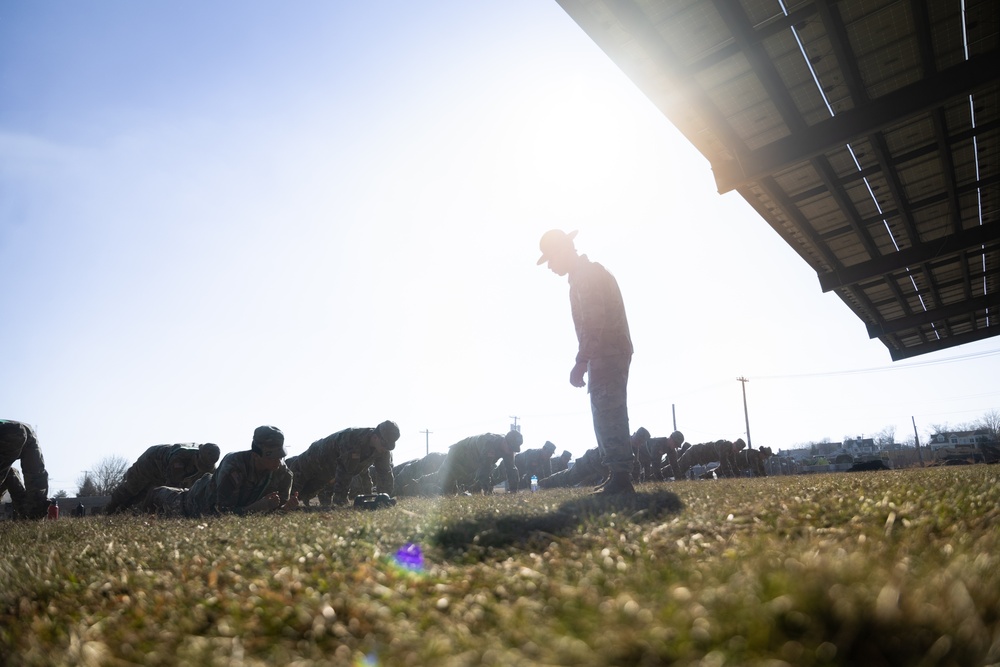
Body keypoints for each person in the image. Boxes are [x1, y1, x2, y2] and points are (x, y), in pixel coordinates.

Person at [537, 229, 636, 494]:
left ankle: (621, 478)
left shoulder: (586, 275)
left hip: (606, 351)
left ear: (563, 251)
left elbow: (594, 322)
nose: (550, 266)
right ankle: (617, 474)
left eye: (550, 259)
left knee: (609, 412)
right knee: (605, 411)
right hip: (605, 352)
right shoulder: (583, 274)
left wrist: (581, 361)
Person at [144, 425, 297, 517]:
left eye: (281, 455)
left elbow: (272, 517)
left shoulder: (283, 476)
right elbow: (222, 513)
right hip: (195, 503)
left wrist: (285, 509)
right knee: (158, 496)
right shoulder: (234, 465)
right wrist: (259, 506)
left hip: (216, 505)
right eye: (272, 456)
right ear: (256, 455)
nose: (279, 460)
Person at [286, 421, 400, 507]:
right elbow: (345, 471)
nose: (386, 448)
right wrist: (341, 500)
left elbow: (385, 474)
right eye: (385, 444)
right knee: (290, 493)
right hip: (312, 461)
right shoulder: (352, 439)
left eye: (390, 446)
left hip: (328, 473)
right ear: (375, 437)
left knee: (305, 495)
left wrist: (384, 499)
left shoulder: (382, 449)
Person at [104, 442, 221, 514]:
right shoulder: (179, 458)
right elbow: (170, 489)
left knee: (143, 495)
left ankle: (131, 513)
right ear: (197, 455)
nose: (202, 468)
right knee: (131, 488)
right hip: (150, 462)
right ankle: (109, 511)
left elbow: (210, 486)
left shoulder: (209, 466)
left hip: (164, 471)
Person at [415, 430, 522, 495]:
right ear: (504, 441)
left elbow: (511, 468)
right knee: (443, 479)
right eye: (510, 448)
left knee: (454, 489)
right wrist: (488, 491)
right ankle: (417, 483)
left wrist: (513, 490)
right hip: (458, 454)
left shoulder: (508, 449)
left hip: (472, 462)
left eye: (513, 449)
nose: (511, 451)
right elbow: (485, 469)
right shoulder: (489, 443)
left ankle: (420, 483)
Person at [0, 420, 50, 519]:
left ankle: (32, 516)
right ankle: (32, 519)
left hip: (8, 433)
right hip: (28, 432)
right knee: (36, 480)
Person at [537, 446, 606, 489]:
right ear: (563, 457)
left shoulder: (565, 465)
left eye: (568, 459)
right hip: (590, 461)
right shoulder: (553, 462)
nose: (567, 461)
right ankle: (541, 484)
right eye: (566, 459)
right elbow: (554, 475)